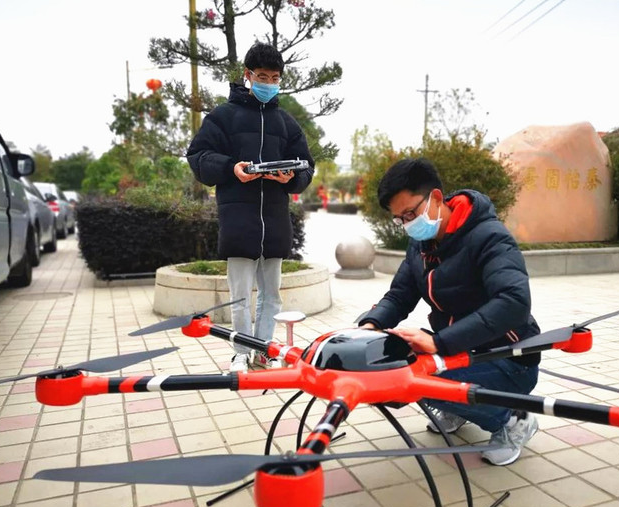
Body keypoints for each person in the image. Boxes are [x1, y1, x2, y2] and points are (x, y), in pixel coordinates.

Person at [357, 158, 541, 466]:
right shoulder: (420, 246)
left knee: (414, 381)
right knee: (388, 368)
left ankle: (513, 419)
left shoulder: (489, 236)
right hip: (458, 348)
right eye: (399, 219)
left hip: (507, 358)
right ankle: (458, 404)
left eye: (410, 213)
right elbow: (400, 295)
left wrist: (439, 343)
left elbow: (514, 301)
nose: (407, 224)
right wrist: (371, 324)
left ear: (436, 198)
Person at [187, 42, 314, 372]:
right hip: (238, 218)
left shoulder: (287, 123)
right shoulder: (222, 117)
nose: (269, 83)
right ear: (248, 75)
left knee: (272, 295)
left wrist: (290, 177)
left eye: (275, 78)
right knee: (240, 296)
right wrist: (232, 168)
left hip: (275, 219)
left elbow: (306, 167)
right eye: (262, 76)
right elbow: (198, 156)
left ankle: (265, 350)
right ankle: (241, 352)